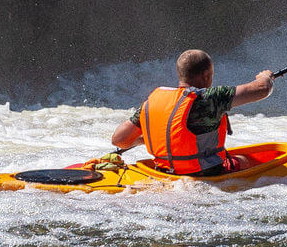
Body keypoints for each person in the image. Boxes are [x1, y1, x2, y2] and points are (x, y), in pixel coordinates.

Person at [110, 50, 275, 175]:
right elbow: (261, 89)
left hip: (164, 172)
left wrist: (163, 138)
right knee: (246, 161)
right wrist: (265, 77)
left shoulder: (152, 102)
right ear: (205, 76)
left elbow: (119, 140)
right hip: (205, 174)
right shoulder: (208, 99)